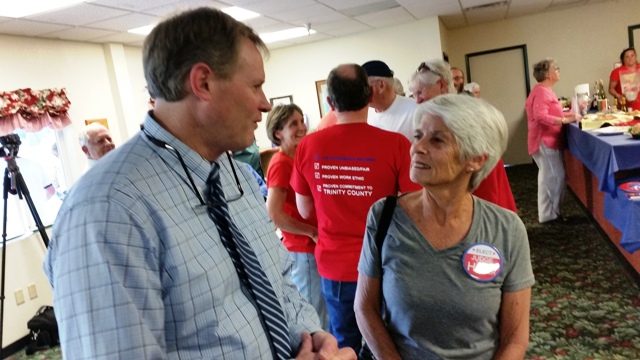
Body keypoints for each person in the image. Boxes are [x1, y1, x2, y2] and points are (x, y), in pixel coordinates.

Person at [44, 8, 355, 360]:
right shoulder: (108, 210)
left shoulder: (231, 172)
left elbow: (277, 279)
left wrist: (310, 334)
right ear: (203, 83)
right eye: (255, 85)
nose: (266, 104)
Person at [355, 94, 535, 360]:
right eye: (417, 136)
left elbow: (514, 338)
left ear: (475, 159)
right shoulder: (384, 216)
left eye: (437, 140)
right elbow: (365, 308)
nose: (417, 147)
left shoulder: (506, 229)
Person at [291, 63, 420, 355]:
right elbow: (414, 208)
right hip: (386, 263)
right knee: (389, 341)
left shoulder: (308, 146)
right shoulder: (396, 144)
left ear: (329, 103)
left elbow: (304, 209)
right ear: (369, 96)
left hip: (336, 266)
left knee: (344, 340)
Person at [409, 59, 517, 213]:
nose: (417, 99)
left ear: (441, 85)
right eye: (414, 95)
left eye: (420, 92)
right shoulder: (430, 118)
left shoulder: (469, 116)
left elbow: (487, 193)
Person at [265, 103, 328, 330]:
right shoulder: (280, 163)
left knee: (323, 310)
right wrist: (310, 231)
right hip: (302, 250)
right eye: (294, 124)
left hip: (313, 248)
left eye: (302, 121)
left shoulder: (298, 158)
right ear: (278, 133)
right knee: (314, 314)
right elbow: (274, 213)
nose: (302, 127)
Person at [526, 58, 581, 223]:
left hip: (547, 139)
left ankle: (548, 215)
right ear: (548, 74)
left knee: (547, 178)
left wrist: (571, 115)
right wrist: (565, 120)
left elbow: (553, 113)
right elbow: (541, 116)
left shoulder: (545, 90)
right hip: (544, 140)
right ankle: (553, 214)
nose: (558, 71)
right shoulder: (542, 91)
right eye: (556, 69)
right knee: (556, 178)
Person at [362, 60, 416, 142]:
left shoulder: (415, 110)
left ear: (381, 85)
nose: (359, 92)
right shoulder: (364, 114)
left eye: (363, 87)